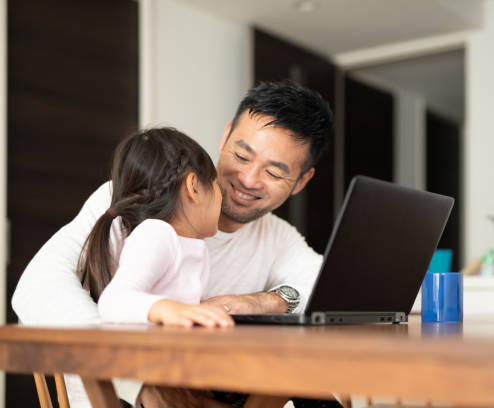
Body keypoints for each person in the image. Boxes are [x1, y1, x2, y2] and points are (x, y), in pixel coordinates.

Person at [11, 80, 335, 407]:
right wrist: (136, 376)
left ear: (301, 181)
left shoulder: (278, 237)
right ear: (225, 137)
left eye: (275, 174)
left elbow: (333, 293)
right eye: (241, 154)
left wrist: (265, 302)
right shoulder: (132, 198)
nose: (248, 180)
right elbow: (36, 285)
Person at [83, 127, 232, 329]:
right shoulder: (156, 234)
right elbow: (113, 301)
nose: (222, 199)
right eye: (217, 186)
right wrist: (168, 309)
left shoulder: (194, 246)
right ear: (194, 187)